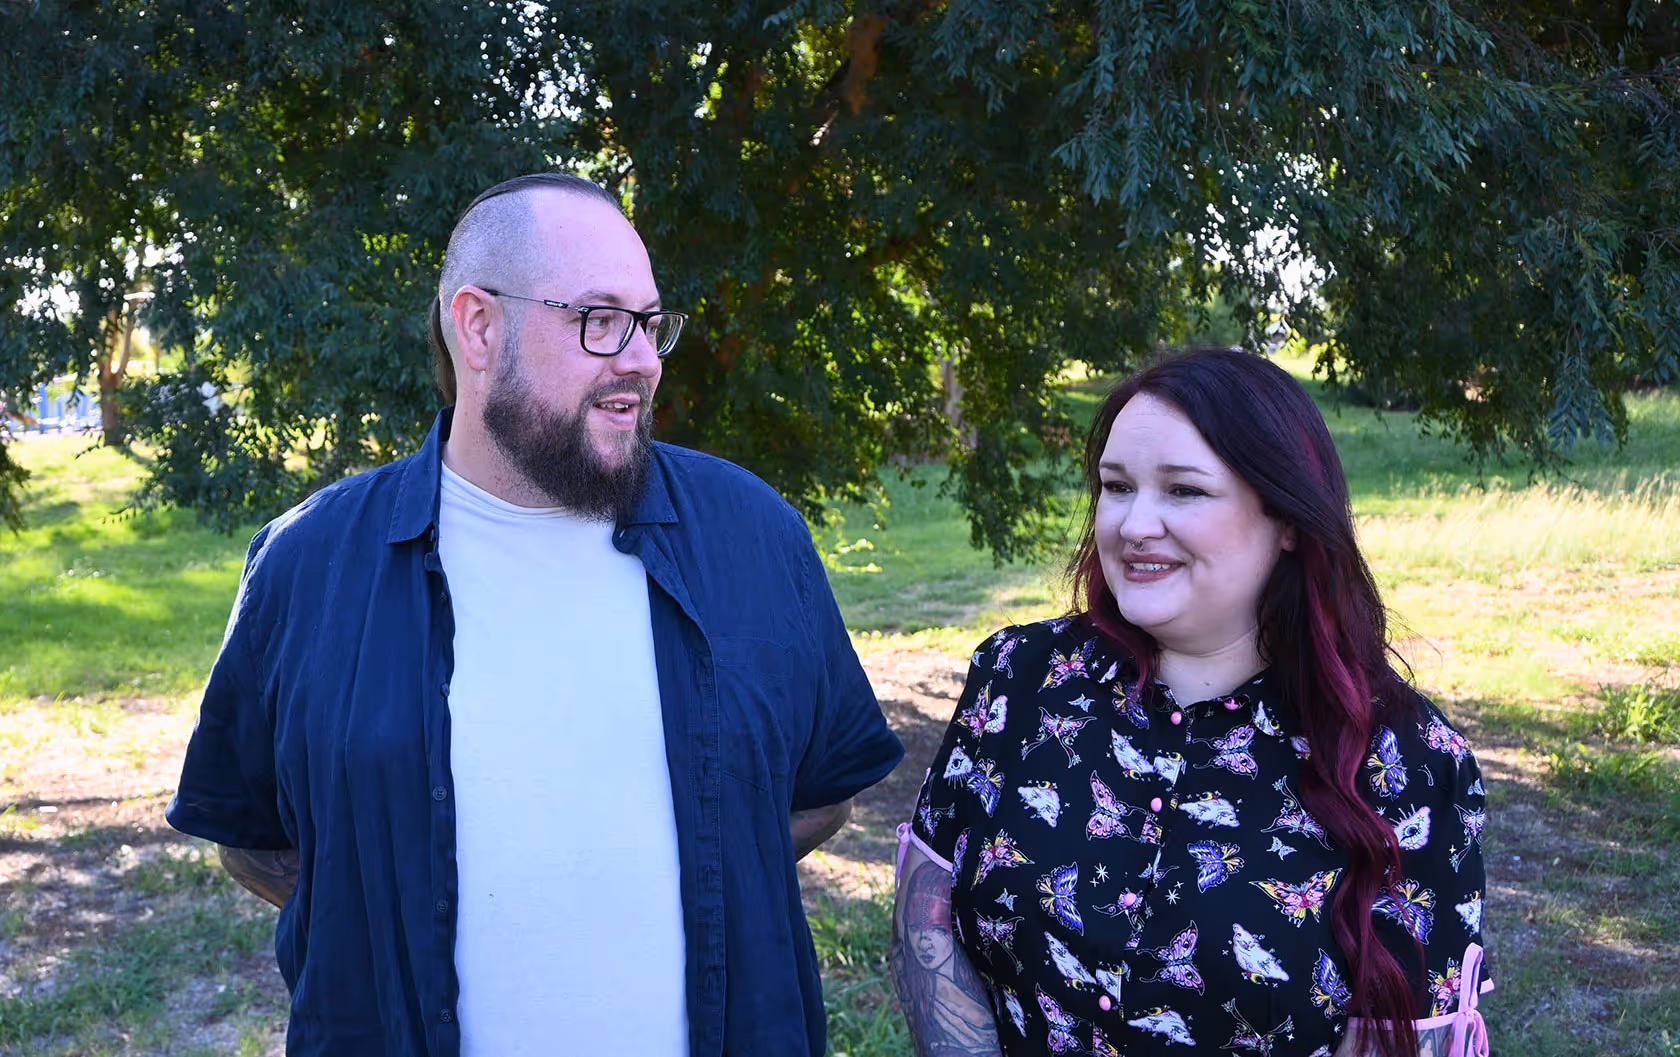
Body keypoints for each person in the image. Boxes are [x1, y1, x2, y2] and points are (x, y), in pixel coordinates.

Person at [166, 171, 904, 1057]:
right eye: (598, 320)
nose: (641, 358)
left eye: (649, 322)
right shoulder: (309, 563)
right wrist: (392, 901)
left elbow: (817, 795)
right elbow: (255, 840)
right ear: (478, 326)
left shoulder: (752, 536)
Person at [892, 349, 1491, 1057]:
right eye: (1116, 487)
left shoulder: (1409, 762)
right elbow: (927, 920)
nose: (1134, 523)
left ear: (1289, 516)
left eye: (1183, 491)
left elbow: (1400, 1035)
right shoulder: (1019, 678)